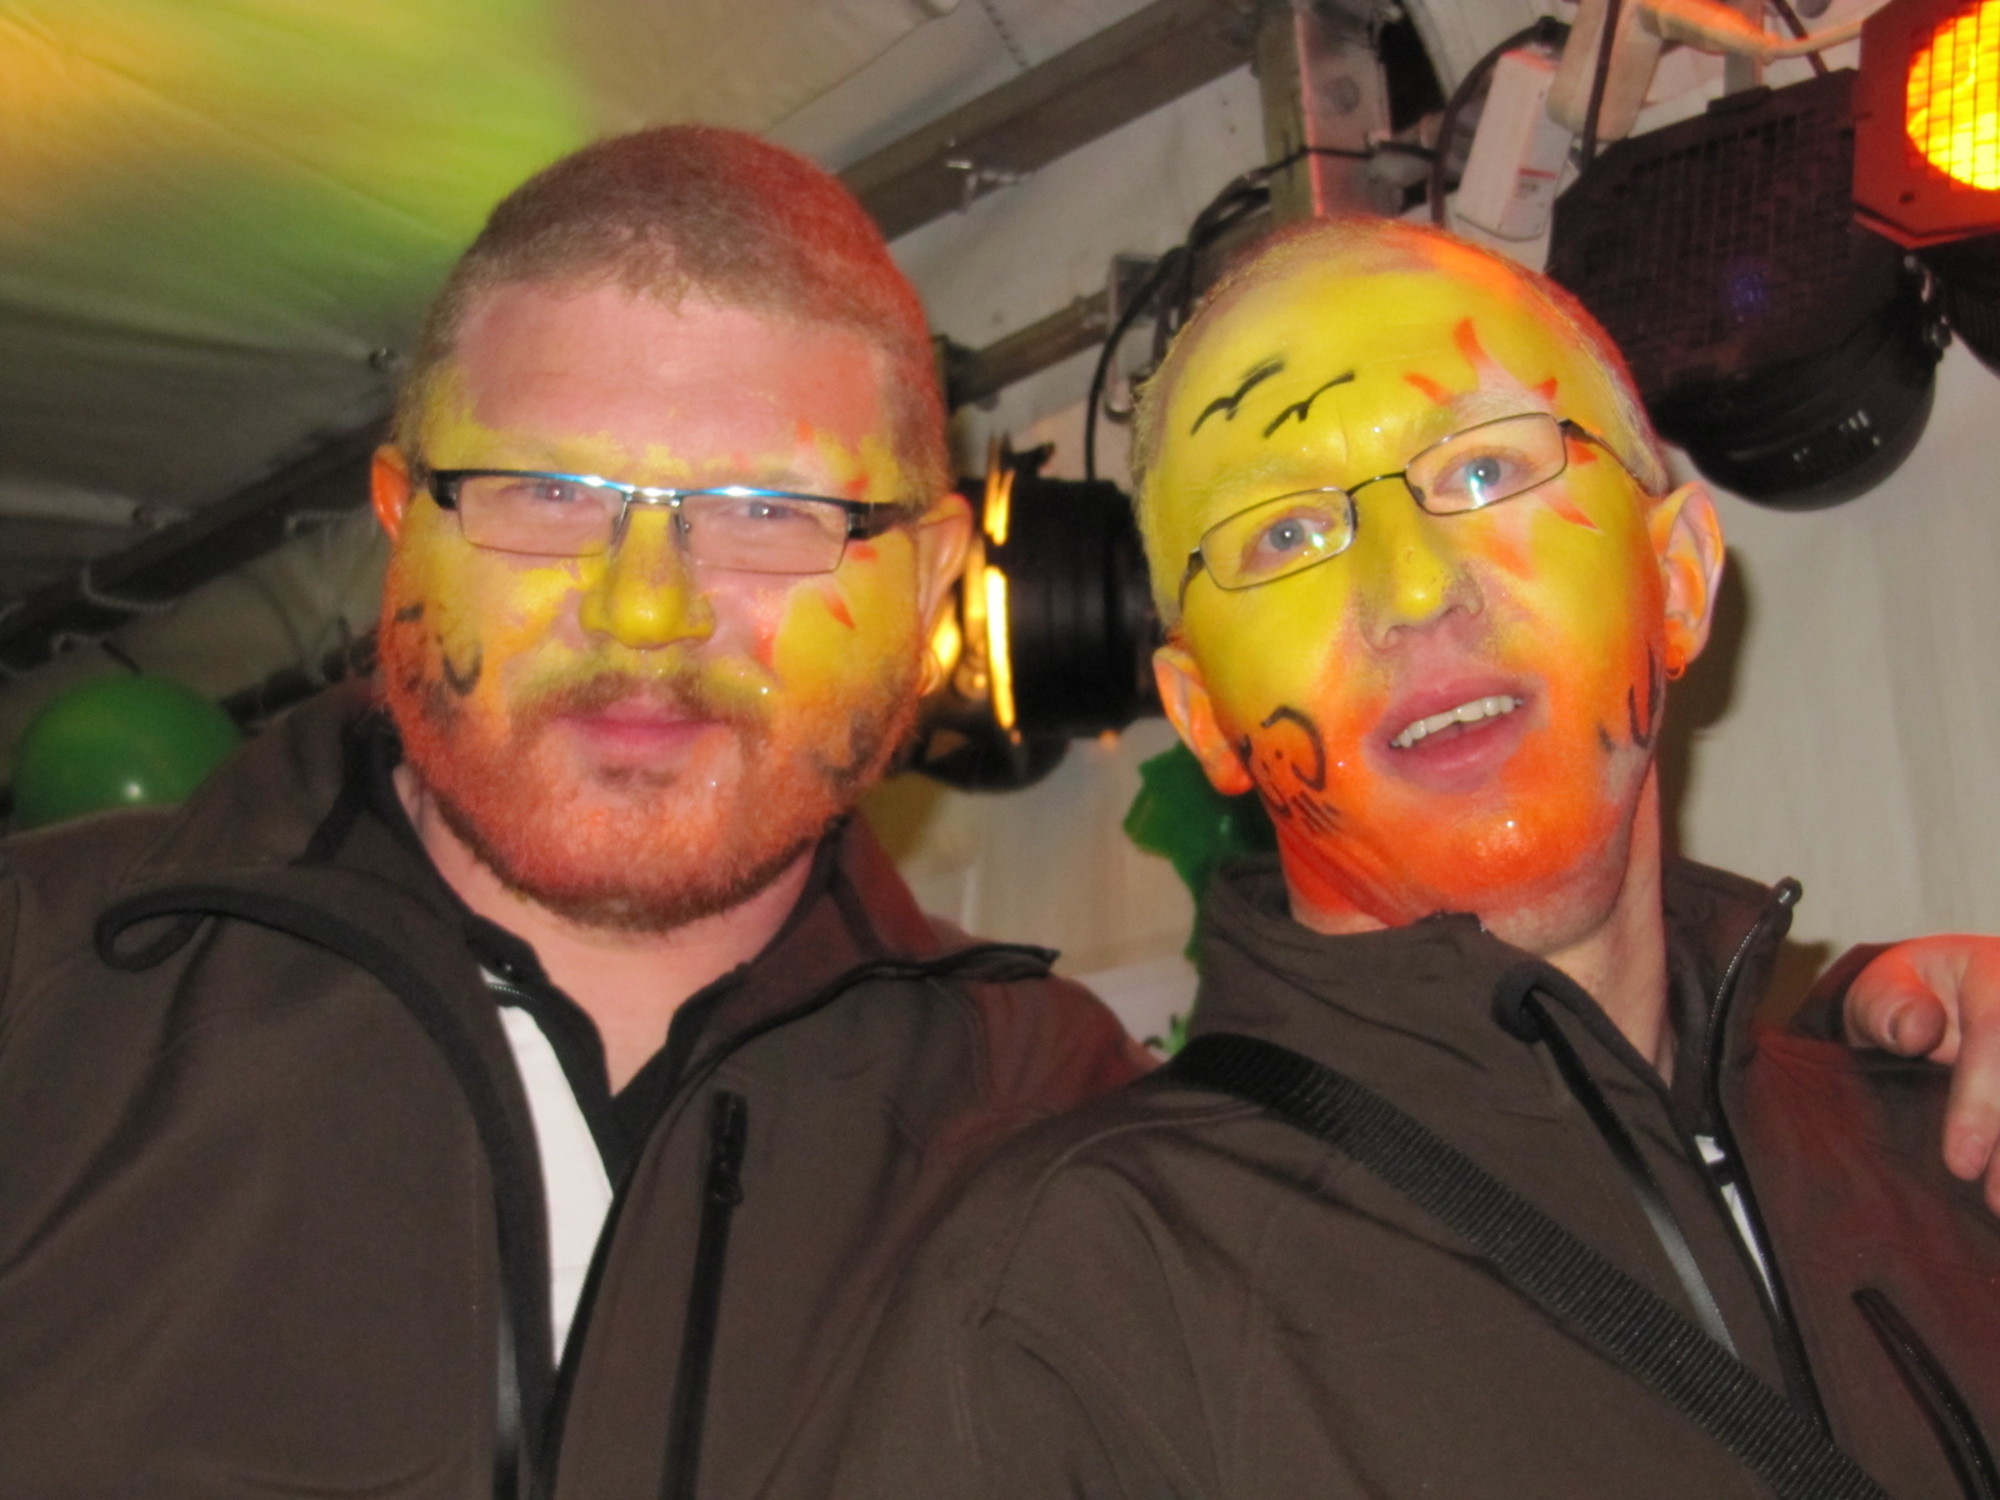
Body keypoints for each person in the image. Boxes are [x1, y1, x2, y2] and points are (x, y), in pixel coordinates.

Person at [0, 127, 1143, 1499]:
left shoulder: (1078, 1127)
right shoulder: (35, 987)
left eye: (769, 509)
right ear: (400, 524)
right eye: (546, 493)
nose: (644, 609)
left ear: (930, 572)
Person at [833, 218, 2000, 1500]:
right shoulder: (1076, 1308)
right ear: (1206, 717)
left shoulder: (1942, 1149)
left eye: (1486, 469)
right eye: (1281, 535)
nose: (1409, 589)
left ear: (1675, 577)